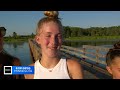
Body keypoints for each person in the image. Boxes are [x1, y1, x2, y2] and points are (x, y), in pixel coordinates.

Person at [24, 11, 83, 79]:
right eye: (48, 35)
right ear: (38, 39)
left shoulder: (73, 67)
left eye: (58, 36)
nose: (54, 42)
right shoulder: (29, 70)